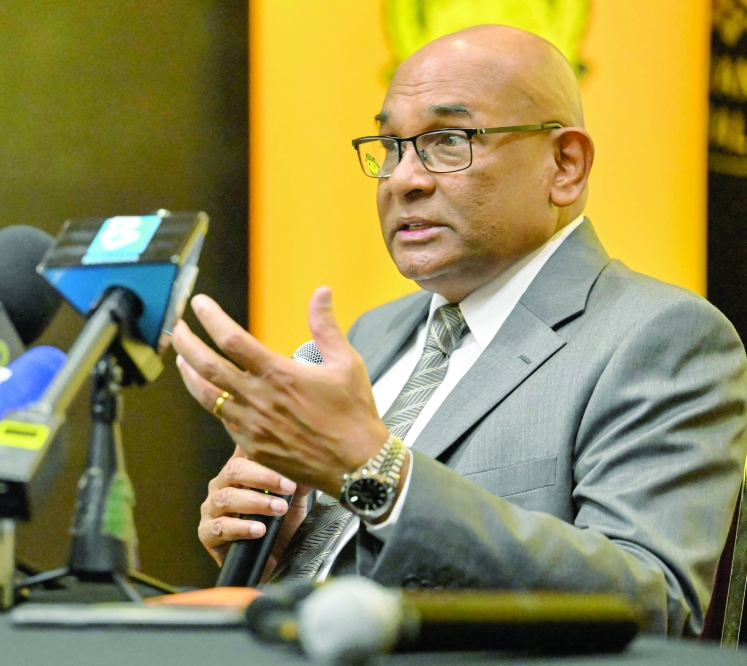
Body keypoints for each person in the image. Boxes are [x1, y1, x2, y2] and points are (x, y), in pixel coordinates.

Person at [171, 25, 747, 636]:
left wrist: (380, 474)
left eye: (448, 141)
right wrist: (277, 551)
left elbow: (650, 603)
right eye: (391, 146)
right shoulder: (373, 335)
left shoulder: (658, 336)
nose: (402, 179)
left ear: (566, 165)